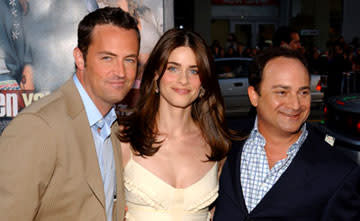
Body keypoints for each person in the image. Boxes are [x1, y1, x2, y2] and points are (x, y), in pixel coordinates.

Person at [0, 7, 140, 221]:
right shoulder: (37, 127)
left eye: (129, 60)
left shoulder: (109, 124)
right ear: (80, 58)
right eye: (107, 58)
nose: (120, 72)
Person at [213, 48, 360, 220]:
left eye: (303, 92)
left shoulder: (339, 173)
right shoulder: (222, 141)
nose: (296, 104)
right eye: (282, 92)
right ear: (254, 96)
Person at [117, 28, 236, 220]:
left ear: (203, 82)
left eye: (194, 71)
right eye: (173, 68)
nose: (183, 80)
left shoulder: (217, 144)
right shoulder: (125, 140)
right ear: (156, 74)